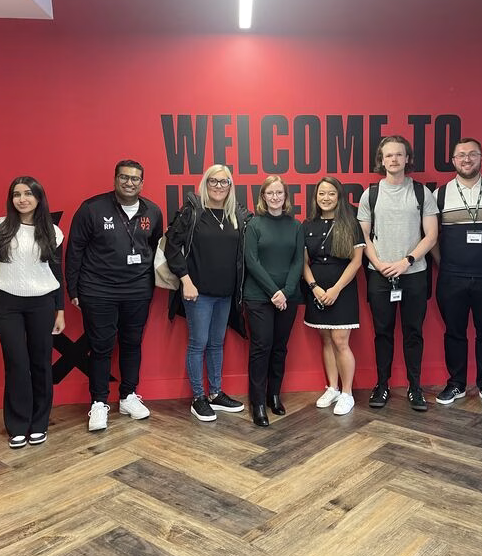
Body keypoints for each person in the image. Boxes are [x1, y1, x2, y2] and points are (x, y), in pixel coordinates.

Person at [66, 159, 163, 431]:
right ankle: (98, 402)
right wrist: (73, 289)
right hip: (98, 290)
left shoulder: (153, 211)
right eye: (124, 177)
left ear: (142, 183)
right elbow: (75, 250)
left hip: (138, 290)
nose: (129, 183)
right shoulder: (92, 209)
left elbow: (155, 247)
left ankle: (128, 396)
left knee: (132, 344)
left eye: (135, 179)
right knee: (101, 348)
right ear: (115, 179)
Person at [0, 177, 65, 448]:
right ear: (11, 199)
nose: (22, 199)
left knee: (41, 363)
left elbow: (57, 273)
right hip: (5, 305)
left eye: (28, 193)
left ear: (39, 198)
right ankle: (17, 425)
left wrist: (60, 310)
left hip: (42, 304)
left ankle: (39, 424)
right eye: (16, 194)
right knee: (16, 363)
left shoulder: (53, 232)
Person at [431, 138, 482, 410]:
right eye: (461, 155)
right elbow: (431, 235)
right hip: (451, 277)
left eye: (472, 154)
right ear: (453, 160)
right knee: (454, 332)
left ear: (481, 158)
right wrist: (443, 263)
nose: (467, 159)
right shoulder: (440, 195)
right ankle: (456, 382)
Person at [358, 135, 438, 411]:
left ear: (407, 159)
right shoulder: (370, 194)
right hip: (379, 274)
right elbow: (363, 236)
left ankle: (415, 388)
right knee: (383, 333)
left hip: (414, 274)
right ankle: (382, 385)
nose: (394, 159)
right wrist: (379, 263)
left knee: (413, 332)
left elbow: (431, 236)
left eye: (399, 154)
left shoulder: (421, 193)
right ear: (381, 160)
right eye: (388, 155)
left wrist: (407, 261)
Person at [164, 165, 250, 422]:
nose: (218, 186)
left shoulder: (237, 215)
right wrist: (186, 281)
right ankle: (198, 398)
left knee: (216, 344)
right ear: (205, 183)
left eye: (224, 182)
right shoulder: (192, 212)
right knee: (198, 344)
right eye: (213, 181)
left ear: (230, 186)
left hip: (226, 294)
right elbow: (171, 247)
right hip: (198, 294)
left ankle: (215, 393)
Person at [244, 176, 304, 427]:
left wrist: (286, 292)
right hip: (258, 297)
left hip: (288, 297)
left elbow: (298, 261)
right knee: (262, 347)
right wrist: (274, 292)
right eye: (270, 193)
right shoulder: (254, 224)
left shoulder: (296, 225)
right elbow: (251, 261)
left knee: (280, 347)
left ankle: (274, 395)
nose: (275, 197)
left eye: (279, 192)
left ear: (286, 196)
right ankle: (258, 402)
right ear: (263, 197)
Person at [302, 177, 365, 416]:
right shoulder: (307, 224)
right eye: (321, 194)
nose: (325, 198)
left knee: (340, 341)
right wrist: (314, 287)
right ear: (315, 197)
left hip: (342, 290)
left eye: (331, 194)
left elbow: (356, 262)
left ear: (339, 197)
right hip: (317, 290)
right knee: (326, 340)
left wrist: (336, 289)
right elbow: (303, 263)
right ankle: (333, 388)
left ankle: (347, 393)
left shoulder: (350, 223)